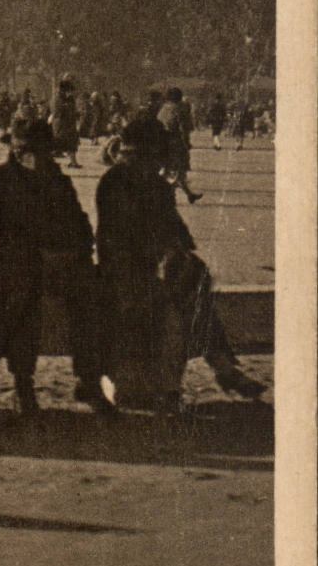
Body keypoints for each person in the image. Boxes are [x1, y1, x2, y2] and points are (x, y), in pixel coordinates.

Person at [96, 114, 266, 413]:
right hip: (122, 271)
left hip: (152, 271)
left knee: (189, 286)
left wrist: (172, 252)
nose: (156, 165)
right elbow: (123, 238)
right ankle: (219, 368)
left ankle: (211, 373)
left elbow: (177, 234)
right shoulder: (116, 183)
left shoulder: (152, 185)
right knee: (183, 301)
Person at [0, 117, 110, 416]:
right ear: (16, 151)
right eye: (29, 151)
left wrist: (74, 254)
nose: (38, 159)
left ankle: (89, 379)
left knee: (94, 290)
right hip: (12, 271)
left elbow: (81, 227)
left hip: (58, 268)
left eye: (44, 152)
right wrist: (34, 255)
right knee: (26, 293)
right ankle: (23, 383)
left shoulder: (58, 183)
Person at [156, 87, 201, 203]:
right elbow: (183, 128)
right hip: (175, 143)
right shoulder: (178, 110)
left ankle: (189, 194)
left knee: (169, 169)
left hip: (161, 143)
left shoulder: (163, 110)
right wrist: (186, 143)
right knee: (177, 170)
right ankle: (167, 195)